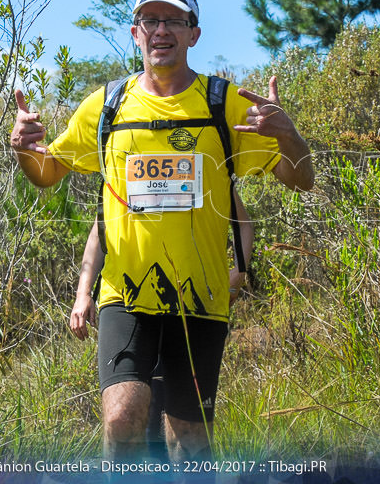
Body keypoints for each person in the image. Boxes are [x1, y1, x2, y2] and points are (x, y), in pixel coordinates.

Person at [10, 0, 314, 461]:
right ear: (136, 33)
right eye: (150, 20)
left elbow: (301, 179)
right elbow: (47, 172)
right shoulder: (107, 105)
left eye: (174, 19)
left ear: (194, 33)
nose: (161, 29)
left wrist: (289, 135)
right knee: (120, 418)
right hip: (124, 294)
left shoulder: (225, 104)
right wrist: (25, 150)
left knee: (187, 441)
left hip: (200, 296)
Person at [68, 194, 253, 459]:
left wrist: (237, 274)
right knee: (130, 420)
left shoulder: (202, 159)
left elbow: (243, 223)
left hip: (193, 307)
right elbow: (100, 230)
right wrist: (83, 293)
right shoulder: (124, 162)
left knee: (186, 433)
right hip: (131, 306)